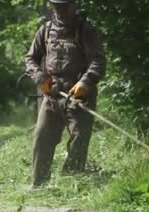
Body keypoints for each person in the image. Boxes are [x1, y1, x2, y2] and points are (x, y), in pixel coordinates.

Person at [25, 0, 106, 188]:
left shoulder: (85, 31)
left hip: (79, 97)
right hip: (51, 96)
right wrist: (39, 77)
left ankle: (72, 184)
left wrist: (85, 82)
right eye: (56, 6)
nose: (60, 10)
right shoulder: (45, 30)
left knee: (78, 140)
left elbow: (98, 61)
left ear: (74, 6)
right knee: (42, 138)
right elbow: (31, 58)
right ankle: (38, 185)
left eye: (64, 6)